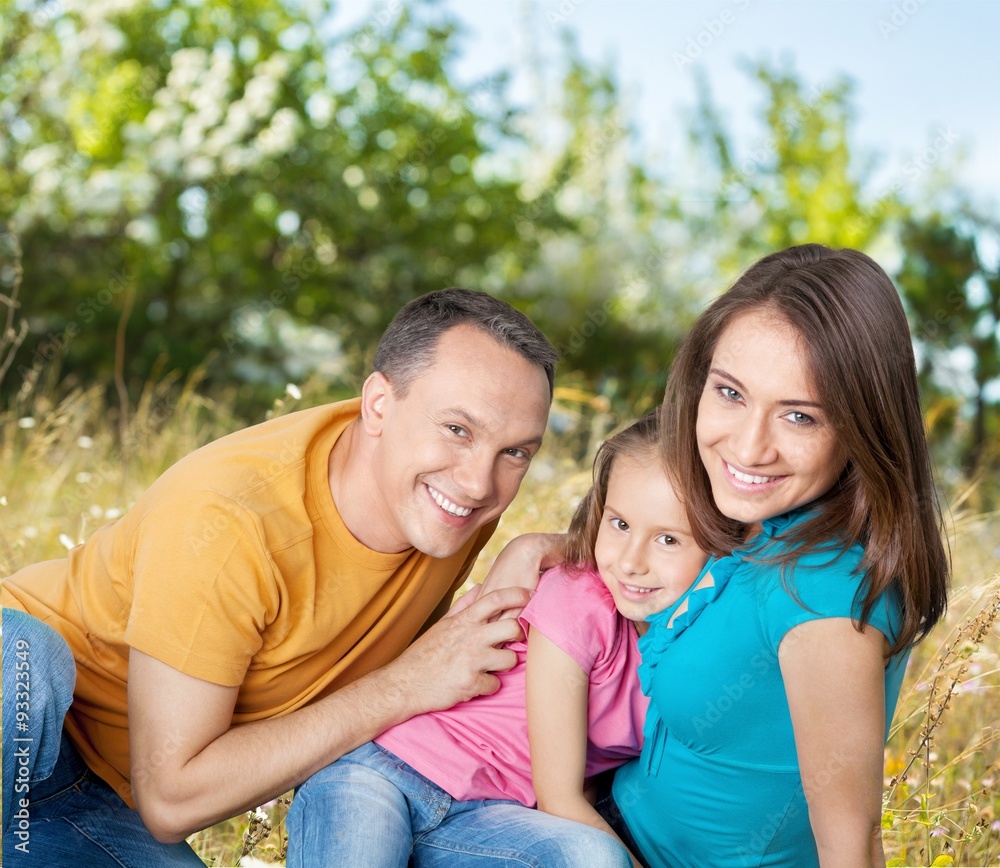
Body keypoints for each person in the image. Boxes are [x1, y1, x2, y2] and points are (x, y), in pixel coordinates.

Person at [1, 288, 559, 867]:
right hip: (30, 715)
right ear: (378, 405)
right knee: (21, 653)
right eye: (457, 430)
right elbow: (171, 796)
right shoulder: (230, 519)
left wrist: (528, 555)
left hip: (97, 806)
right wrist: (405, 683)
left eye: (516, 452)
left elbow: (640, 540)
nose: (478, 483)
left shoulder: (443, 511)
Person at [598, 244, 950, 868]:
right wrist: (538, 551)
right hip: (608, 817)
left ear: (862, 427)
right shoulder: (765, 522)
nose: (749, 447)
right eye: (730, 393)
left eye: (799, 415)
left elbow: (851, 847)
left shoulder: (818, 588)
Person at [284, 413, 709, 867]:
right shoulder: (581, 599)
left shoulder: (705, 649)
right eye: (619, 524)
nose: (630, 563)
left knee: (592, 857)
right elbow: (560, 797)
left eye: (667, 539)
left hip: (490, 820)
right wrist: (533, 545)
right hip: (383, 775)